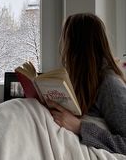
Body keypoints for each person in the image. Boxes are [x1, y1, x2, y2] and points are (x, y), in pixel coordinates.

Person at [49, 13, 126, 155]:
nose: (62, 46)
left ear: (77, 46)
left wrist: (80, 127)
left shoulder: (110, 84)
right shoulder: (78, 80)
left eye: (66, 40)